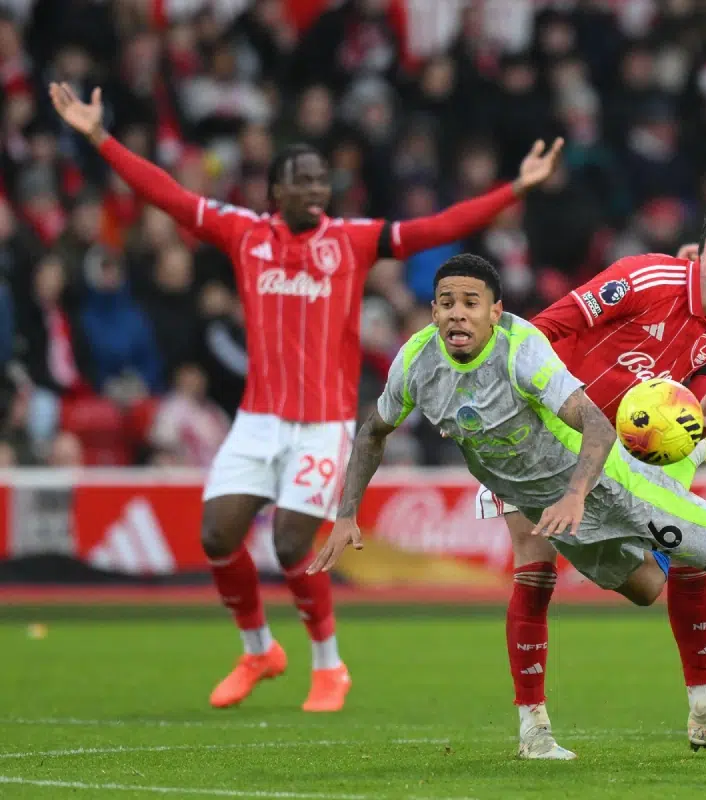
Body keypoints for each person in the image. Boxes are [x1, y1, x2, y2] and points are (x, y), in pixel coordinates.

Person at [48, 82, 563, 712]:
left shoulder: (351, 240)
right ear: (275, 192)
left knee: (291, 542)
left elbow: (436, 227)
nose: (316, 190)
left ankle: (328, 664)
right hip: (257, 420)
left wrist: (514, 189)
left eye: (321, 181)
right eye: (302, 181)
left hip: (322, 423)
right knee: (216, 535)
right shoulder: (244, 233)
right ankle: (259, 650)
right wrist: (99, 137)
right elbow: (169, 196)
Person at [308, 253, 706, 758]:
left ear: (495, 312)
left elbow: (596, 424)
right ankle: (538, 732)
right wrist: (346, 514)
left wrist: (576, 493)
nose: (457, 313)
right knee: (644, 587)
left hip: (605, 480)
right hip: (536, 489)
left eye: (470, 303)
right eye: (447, 303)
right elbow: (372, 431)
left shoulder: (523, 347)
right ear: (432, 311)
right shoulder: (415, 361)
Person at [486, 200, 706, 759]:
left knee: (659, 578)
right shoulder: (644, 278)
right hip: (539, 432)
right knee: (535, 562)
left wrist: (704, 414)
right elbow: (548, 327)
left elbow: (695, 397)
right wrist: (506, 398)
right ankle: (534, 728)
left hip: (621, 461)